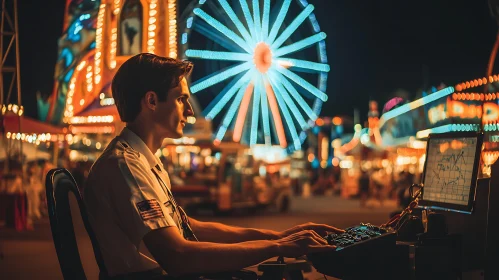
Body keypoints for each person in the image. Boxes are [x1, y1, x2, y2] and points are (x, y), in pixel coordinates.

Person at [84, 53, 342, 279]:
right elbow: (177, 256)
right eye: (180, 99)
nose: (190, 112)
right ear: (151, 101)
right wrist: (276, 247)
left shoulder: (143, 161)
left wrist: (279, 237)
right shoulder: (126, 167)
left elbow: (189, 228)